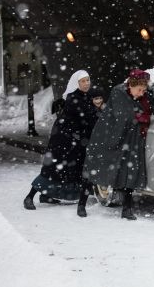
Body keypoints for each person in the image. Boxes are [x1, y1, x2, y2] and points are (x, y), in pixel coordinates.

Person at [79, 69, 154, 220]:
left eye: (144, 90)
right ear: (131, 85)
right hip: (108, 135)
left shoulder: (142, 94)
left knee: (130, 171)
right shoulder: (118, 92)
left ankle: (127, 209)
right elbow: (124, 117)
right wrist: (141, 116)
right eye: (139, 90)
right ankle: (81, 204)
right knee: (95, 168)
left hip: (131, 138)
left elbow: (152, 105)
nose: (142, 93)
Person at [23, 70, 100, 210]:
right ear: (76, 83)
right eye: (83, 81)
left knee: (65, 169)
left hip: (74, 141)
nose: (86, 83)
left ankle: (46, 195)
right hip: (62, 140)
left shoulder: (85, 96)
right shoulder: (73, 98)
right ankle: (29, 197)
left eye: (88, 80)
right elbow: (87, 118)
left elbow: (90, 116)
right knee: (52, 169)